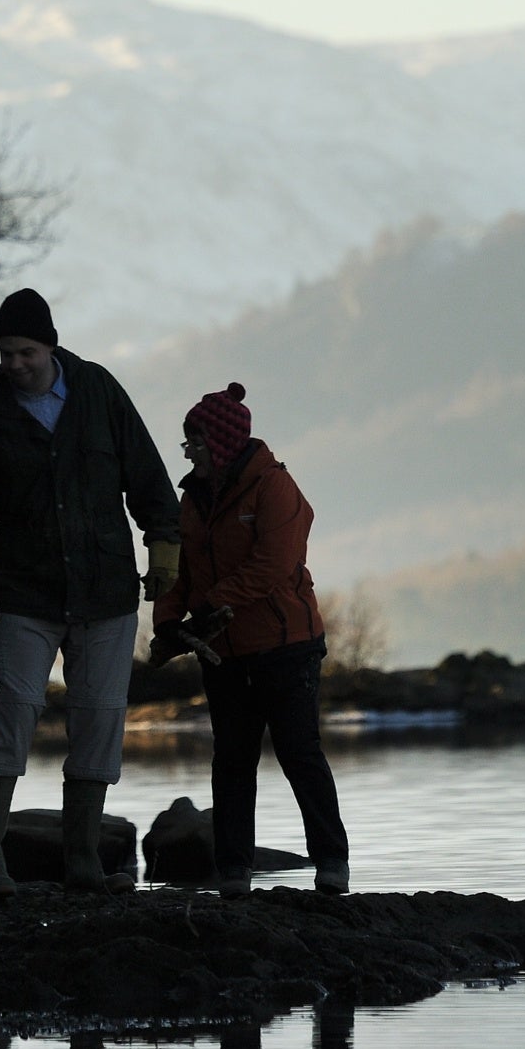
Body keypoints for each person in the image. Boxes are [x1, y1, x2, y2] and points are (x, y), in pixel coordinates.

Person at [0, 288, 181, 897]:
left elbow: (149, 478)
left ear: (50, 346)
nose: (14, 363)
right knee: (15, 712)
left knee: (101, 721)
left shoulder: (99, 392)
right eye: (5, 353)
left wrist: (164, 550)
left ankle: (83, 865)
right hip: (25, 596)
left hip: (107, 595)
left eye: (25, 351)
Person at [150, 383, 349, 895]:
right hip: (225, 652)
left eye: (194, 441)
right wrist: (169, 624)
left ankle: (331, 862)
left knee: (299, 754)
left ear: (219, 442)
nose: (188, 451)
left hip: (288, 645)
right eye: (186, 443)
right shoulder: (192, 501)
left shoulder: (275, 488)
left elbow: (273, 566)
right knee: (232, 760)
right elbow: (182, 570)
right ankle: (234, 870)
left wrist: (207, 607)